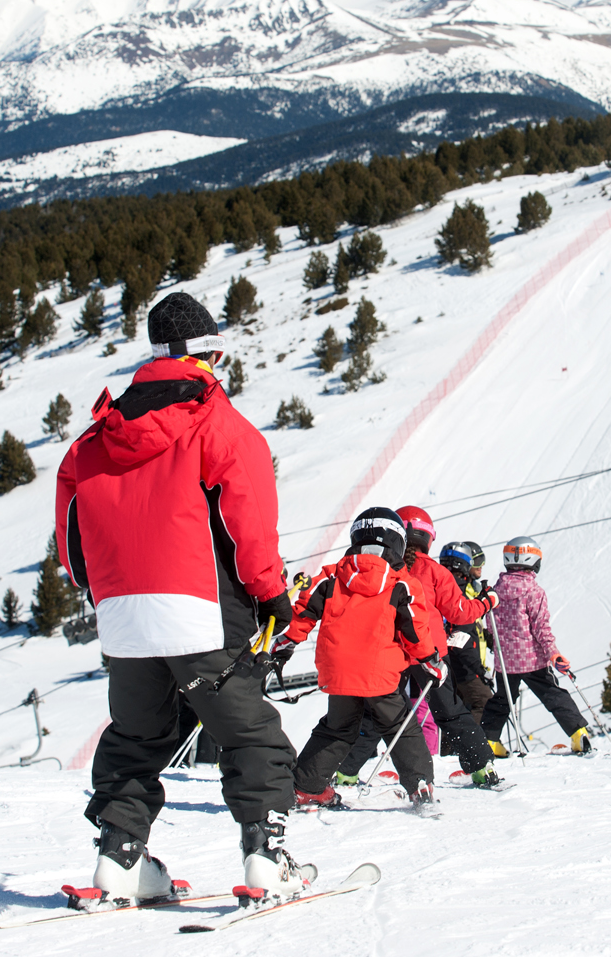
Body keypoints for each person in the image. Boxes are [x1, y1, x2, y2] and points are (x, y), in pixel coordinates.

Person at [55, 292, 305, 902]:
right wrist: (271, 594)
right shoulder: (219, 423)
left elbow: (71, 532)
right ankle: (265, 858)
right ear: (208, 355)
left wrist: (101, 593)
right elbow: (249, 520)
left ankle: (118, 860)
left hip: (124, 615)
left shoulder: (98, 435)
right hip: (201, 607)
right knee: (248, 733)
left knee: (137, 735)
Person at [275, 508, 437, 806]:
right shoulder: (401, 583)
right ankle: (420, 786)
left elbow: (305, 609)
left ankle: (307, 788)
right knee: (399, 726)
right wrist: (430, 659)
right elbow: (414, 629)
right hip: (380, 673)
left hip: (337, 671)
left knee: (338, 728)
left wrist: (287, 641)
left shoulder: (332, 575)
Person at [334, 508, 501, 787]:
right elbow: (460, 612)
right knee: (449, 711)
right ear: (428, 538)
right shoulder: (435, 571)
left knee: (379, 713)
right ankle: (483, 767)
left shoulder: (383, 569)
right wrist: (487, 601)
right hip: (430, 653)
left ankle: (346, 771)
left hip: (390, 651)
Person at [480, 536, 593, 755]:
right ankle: (579, 734)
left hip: (506, 661)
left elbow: (491, 624)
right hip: (531, 659)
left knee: (502, 700)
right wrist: (554, 654)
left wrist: (496, 646)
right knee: (553, 694)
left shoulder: (495, 590)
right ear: (532, 559)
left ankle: (490, 741)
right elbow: (541, 628)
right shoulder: (533, 592)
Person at [439, 541, 495, 725]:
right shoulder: (460, 593)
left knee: (455, 708)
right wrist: (479, 670)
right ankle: (481, 745)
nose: (479, 566)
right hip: (463, 666)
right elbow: (461, 636)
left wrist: (484, 635)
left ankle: (450, 750)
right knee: (484, 701)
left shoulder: (442, 586)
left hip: (447, 662)